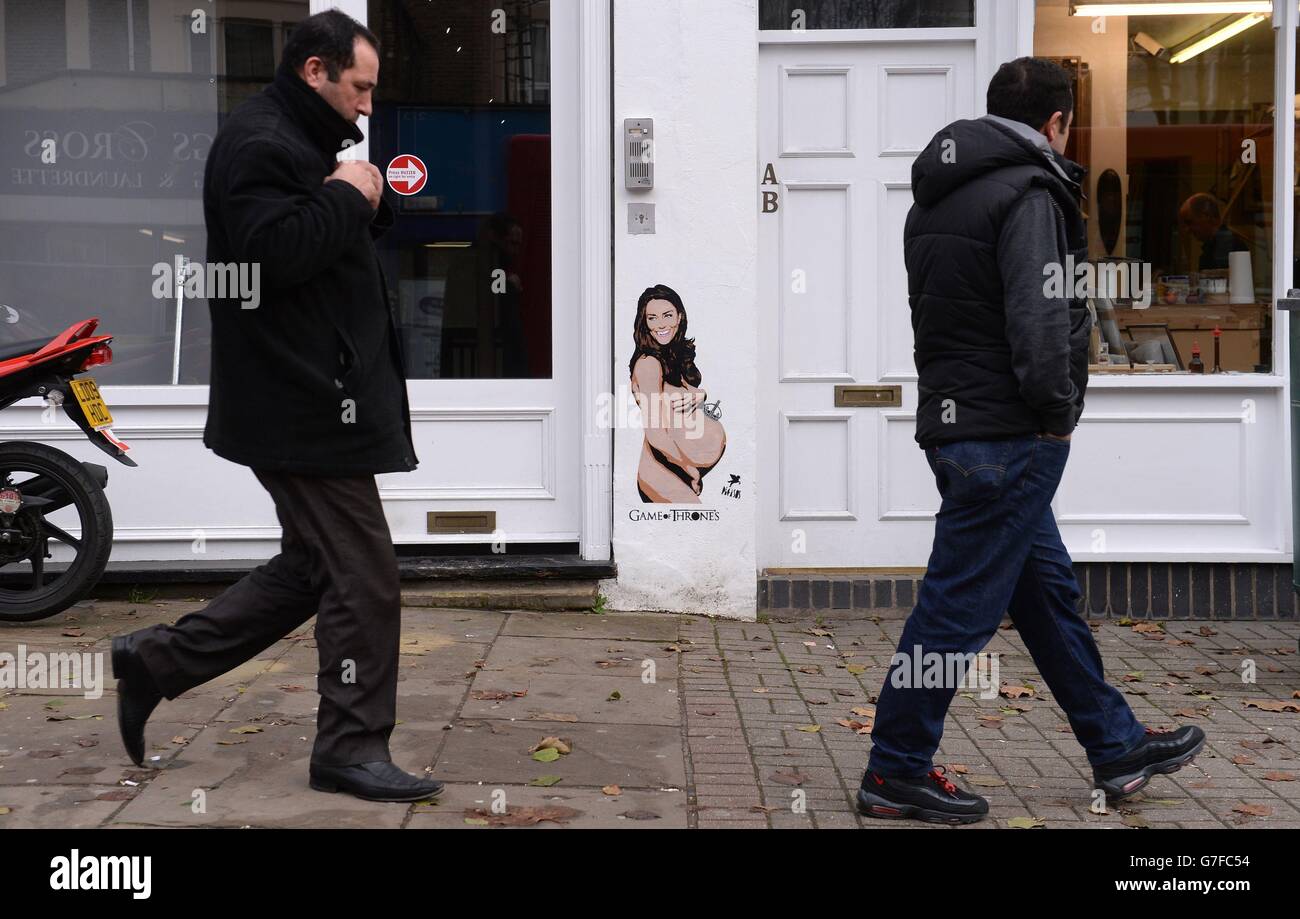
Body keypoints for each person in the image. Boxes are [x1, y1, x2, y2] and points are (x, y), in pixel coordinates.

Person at [856, 57, 1204, 824]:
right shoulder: (1032, 191)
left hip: (961, 426)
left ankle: (1114, 745)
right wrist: (1058, 413)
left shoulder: (941, 194)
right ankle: (895, 767)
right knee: (955, 611)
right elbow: (1042, 320)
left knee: (1045, 595)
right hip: (1010, 435)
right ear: (1058, 123)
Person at [110, 10, 441, 803]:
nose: (367, 106)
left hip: (314, 397)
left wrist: (360, 194)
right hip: (301, 405)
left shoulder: (303, 141)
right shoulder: (259, 143)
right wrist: (346, 194)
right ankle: (349, 747)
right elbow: (268, 256)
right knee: (365, 579)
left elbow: (329, 222)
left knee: (310, 568)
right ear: (314, 72)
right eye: (359, 88)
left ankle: (156, 660)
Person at [629, 284, 725, 503]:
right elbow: (655, 433)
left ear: (679, 317)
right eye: (651, 318)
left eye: (667, 315)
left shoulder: (670, 357)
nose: (660, 324)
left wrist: (702, 394)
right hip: (664, 471)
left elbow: (687, 395)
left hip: (677, 468)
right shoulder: (648, 364)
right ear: (644, 322)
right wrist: (690, 470)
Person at [1178, 193, 1248, 271]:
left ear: (1206, 216)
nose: (1187, 230)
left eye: (1189, 222)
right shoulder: (1211, 249)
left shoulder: (1230, 249)